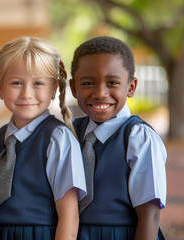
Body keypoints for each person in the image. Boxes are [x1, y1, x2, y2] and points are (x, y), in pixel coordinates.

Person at [0, 36, 86, 240]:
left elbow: (69, 215)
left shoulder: (58, 138)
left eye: (38, 83)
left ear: (54, 88)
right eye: (16, 83)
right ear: (0, 88)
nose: (26, 94)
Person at [69, 36, 167, 240]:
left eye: (112, 82)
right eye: (88, 83)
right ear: (73, 87)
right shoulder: (68, 134)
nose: (100, 93)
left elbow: (151, 214)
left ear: (131, 87)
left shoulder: (139, 138)